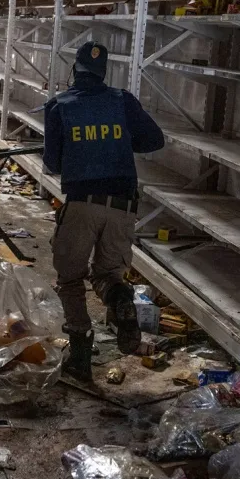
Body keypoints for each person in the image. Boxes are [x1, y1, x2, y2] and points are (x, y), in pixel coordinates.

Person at [43, 40, 165, 381]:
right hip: (123, 204)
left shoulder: (59, 106)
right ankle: (121, 300)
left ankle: (81, 354)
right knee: (107, 274)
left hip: (82, 202)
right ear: (104, 71)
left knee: (70, 278)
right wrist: (122, 139)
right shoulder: (123, 101)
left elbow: (51, 163)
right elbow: (155, 141)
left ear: (74, 70)